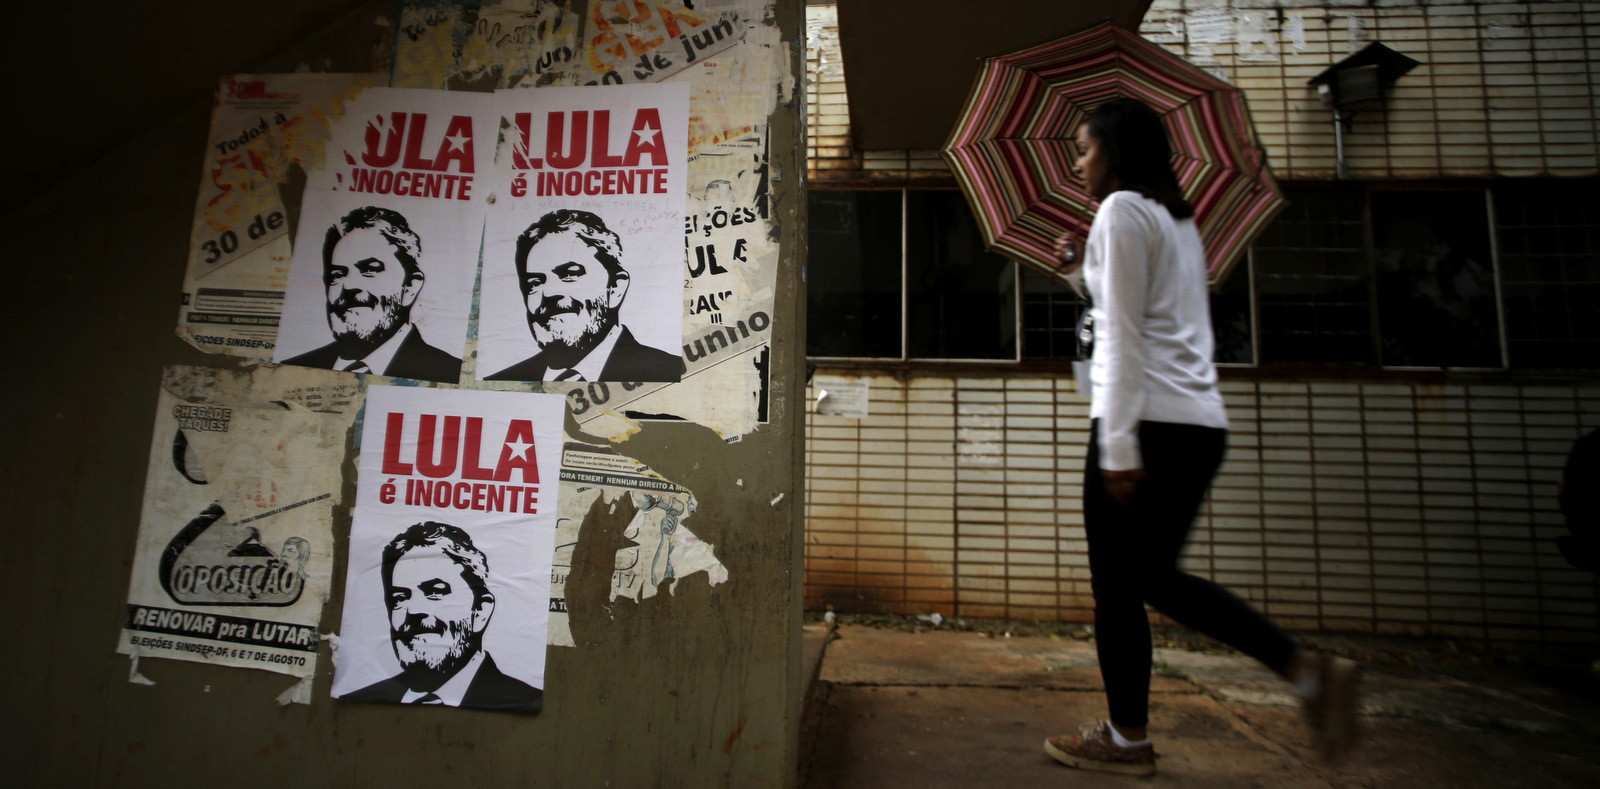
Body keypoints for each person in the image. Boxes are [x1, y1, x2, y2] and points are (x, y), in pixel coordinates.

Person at [1042, 97, 1357, 775]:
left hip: (1145, 425)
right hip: (1196, 424)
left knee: (1120, 587)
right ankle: (1300, 668)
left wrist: (1119, 447)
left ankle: (1129, 739)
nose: (1077, 161)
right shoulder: (1176, 220)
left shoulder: (1122, 210)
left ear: (1116, 152)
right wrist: (1079, 269)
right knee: (1150, 577)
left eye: (1084, 147)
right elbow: (1139, 312)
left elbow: (1123, 335)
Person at [340, 521, 541, 713]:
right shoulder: (362, 699)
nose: (414, 610)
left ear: (480, 611)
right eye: (400, 598)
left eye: (435, 592)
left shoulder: (523, 700)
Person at [485, 209, 683, 382]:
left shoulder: (670, 373)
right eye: (535, 283)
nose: (550, 293)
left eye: (570, 274)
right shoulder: (499, 382)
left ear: (615, 288)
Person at [282, 206, 462, 382]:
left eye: (370, 270)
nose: (348, 286)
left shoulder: (449, 373)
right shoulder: (289, 370)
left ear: (410, 287)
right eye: (337, 275)